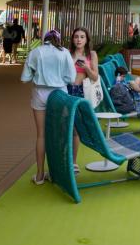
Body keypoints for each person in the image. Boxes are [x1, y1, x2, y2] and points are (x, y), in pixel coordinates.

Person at [20, 30, 75, 184]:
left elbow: (24, 78)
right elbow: (71, 78)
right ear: (58, 40)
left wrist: (36, 74)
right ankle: (58, 173)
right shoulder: (64, 52)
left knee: (41, 135)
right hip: (59, 94)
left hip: (40, 93)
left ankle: (39, 175)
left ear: (44, 40)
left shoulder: (36, 52)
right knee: (59, 134)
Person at [68, 26, 100, 171]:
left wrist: (86, 67)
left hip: (80, 92)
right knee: (64, 127)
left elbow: (95, 77)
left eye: (82, 37)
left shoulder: (91, 54)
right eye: (76, 37)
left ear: (87, 39)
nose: (79, 39)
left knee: (75, 129)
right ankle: (64, 160)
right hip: (65, 91)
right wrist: (73, 59)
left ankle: (73, 162)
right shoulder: (67, 53)